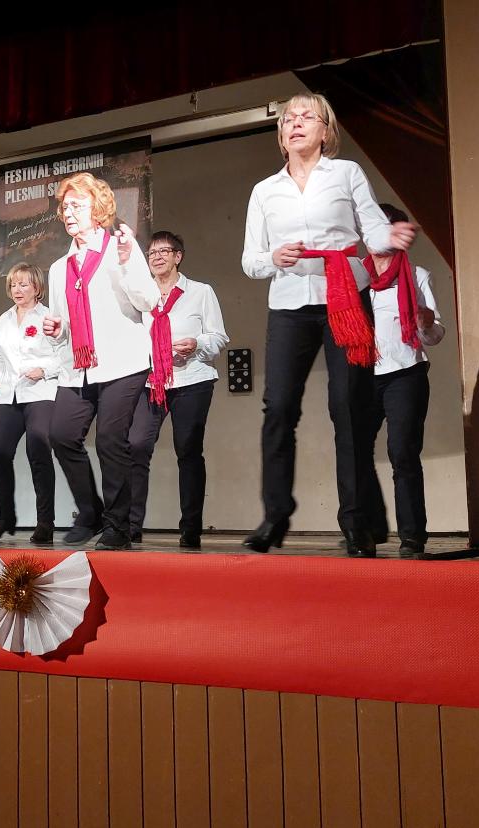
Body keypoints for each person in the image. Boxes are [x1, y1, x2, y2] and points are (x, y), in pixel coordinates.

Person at [241, 93, 417, 557]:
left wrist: (390, 237)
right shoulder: (265, 190)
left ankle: (356, 522)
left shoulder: (346, 173)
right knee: (278, 407)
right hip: (289, 302)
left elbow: (372, 229)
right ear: (281, 134)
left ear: (326, 131)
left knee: (349, 407)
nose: (296, 123)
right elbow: (250, 260)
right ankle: (275, 516)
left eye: (307, 116)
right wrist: (273, 257)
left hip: (344, 296)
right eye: (288, 118)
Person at [42, 172, 159, 550]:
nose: (68, 212)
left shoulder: (120, 249)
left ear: (98, 209)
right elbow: (63, 323)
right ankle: (90, 511)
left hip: (123, 362)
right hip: (79, 367)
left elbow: (148, 300)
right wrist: (56, 327)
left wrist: (127, 264)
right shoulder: (59, 268)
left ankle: (117, 527)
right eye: (65, 207)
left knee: (110, 440)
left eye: (77, 205)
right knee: (60, 434)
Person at [128, 230, 229, 548]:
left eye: (164, 251)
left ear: (178, 256)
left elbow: (218, 337)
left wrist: (196, 343)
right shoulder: (140, 297)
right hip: (150, 381)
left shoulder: (200, 292)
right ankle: (130, 525)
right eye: (151, 253)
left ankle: (191, 528)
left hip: (192, 380)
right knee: (136, 445)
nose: (156, 257)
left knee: (188, 451)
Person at [363, 203, 445, 558]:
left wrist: (425, 322)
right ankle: (365, 529)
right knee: (354, 452)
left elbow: (434, 335)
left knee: (402, 453)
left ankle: (412, 536)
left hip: (405, 374)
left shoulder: (416, 276)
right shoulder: (356, 278)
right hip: (364, 375)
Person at [0, 263, 64, 545]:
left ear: (37, 287)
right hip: (9, 393)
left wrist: (44, 370)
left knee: (38, 450)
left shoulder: (48, 317)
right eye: (13, 284)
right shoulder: (3, 320)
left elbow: (63, 355)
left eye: (24, 284)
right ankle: (6, 516)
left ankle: (45, 523)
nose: (17, 290)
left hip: (40, 392)